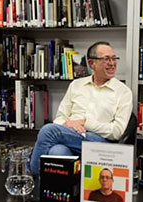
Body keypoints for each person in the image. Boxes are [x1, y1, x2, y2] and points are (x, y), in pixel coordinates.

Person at [29, 41, 133, 181]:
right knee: (57, 151)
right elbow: (60, 117)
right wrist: (69, 125)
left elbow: (117, 131)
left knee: (48, 131)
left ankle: (33, 178)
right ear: (92, 63)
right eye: (106, 59)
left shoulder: (123, 92)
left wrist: (84, 123)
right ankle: (62, 198)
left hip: (100, 143)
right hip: (70, 136)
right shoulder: (76, 85)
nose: (112, 63)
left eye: (114, 58)